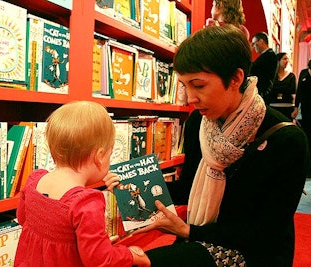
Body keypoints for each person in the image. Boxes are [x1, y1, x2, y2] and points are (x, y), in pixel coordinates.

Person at [104, 25, 309, 267]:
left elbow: (266, 232)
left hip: (254, 252)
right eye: (184, 86)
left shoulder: (286, 140)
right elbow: (189, 186)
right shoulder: (198, 124)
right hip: (201, 236)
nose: (190, 98)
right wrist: (131, 185)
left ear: (235, 78)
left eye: (198, 85)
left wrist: (190, 231)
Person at [14, 101, 150, 267]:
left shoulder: (34, 179)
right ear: (100, 156)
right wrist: (131, 256)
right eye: (110, 153)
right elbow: (100, 260)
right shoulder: (86, 203)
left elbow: (22, 219)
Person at [293, 59, 311, 174]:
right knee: (307, 135)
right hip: (306, 109)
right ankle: (307, 167)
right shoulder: (304, 73)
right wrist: (296, 107)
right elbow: (299, 91)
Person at [250, 32, 278, 104]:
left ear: (261, 41)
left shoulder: (269, 56)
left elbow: (253, 69)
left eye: (254, 43)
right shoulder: (267, 55)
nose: (253, 46)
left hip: (262, 94)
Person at [269, 52, 296, 119]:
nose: (286, 61)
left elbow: (292, 90)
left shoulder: (291, 76)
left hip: (287, 106)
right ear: (278, 60)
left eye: (287, 59)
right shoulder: (272, 76)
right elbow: (270, 90)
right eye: (284, 59)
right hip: (273, 106)